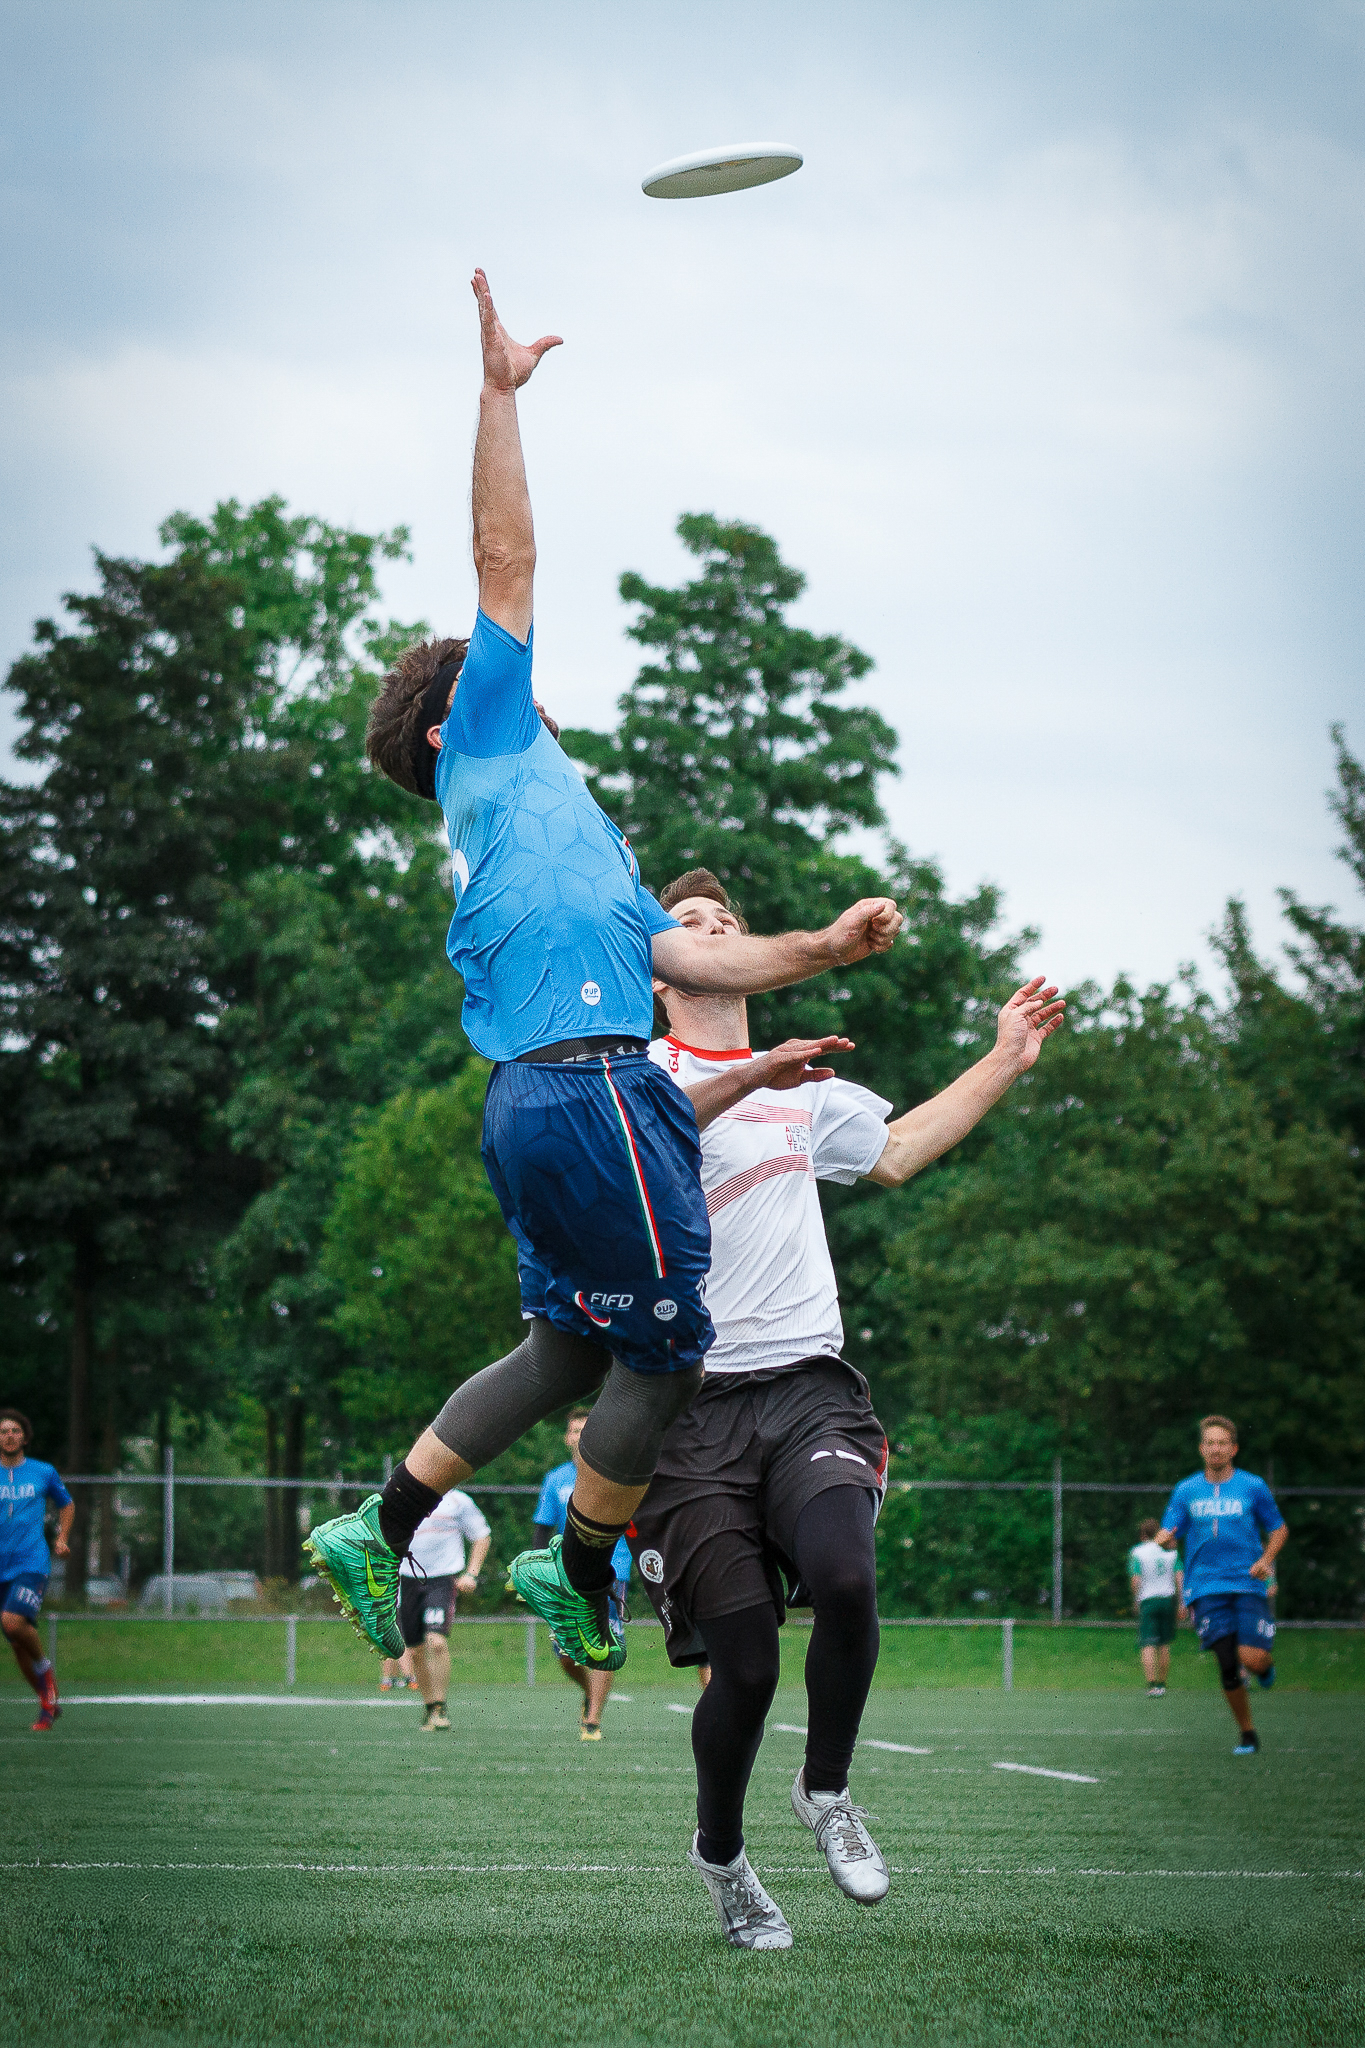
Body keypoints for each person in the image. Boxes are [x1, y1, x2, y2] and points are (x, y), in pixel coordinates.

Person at [304, 271, 903, 1679]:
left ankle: (376, 1528)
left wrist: (815, 947)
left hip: (557, 1096)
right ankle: (571, 1561)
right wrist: (497, 399)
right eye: (501, 679)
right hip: (589, 1096)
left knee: (571, 1357)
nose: (531, 680)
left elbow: (682, 950)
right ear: (457, 723)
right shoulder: (496, 748)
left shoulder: (566, 827)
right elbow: (503, 561)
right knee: (677, 1347)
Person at [628, 871, 1064, 1949]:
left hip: (808, 1383)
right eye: (690, 925)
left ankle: (826, 1792)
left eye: (726, 919)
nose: (716, 930)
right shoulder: (635, 1070)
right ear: (661, 969)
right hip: (690, 1410)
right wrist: (755, 1072)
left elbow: (904, 1149)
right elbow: (636, 1150)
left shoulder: (803, 1089)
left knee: (849, 1577)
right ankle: (721, 1854)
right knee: (749, 1665)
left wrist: (1005, 1055)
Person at [1157, 1415, 1287, 1757]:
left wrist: (1266, 1560)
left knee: (1251, 1656)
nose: (1216, 1449)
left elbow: (1278, 1529)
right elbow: (1171, 1530)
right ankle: (1247, 1733)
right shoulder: (1186, 1490)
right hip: (1205, 1585)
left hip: (1247, 1582)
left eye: (1222, 1443)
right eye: (1210, 1443)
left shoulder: (1252, 1486)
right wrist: (1165, 1539)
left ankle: (1265, 1667)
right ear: (1202, 1449)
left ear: (1233, 1449)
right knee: (1228, 1662)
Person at [533, 1409, 634, 1739]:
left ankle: (592, 1721)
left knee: (606, 1642)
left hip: (611, 1570)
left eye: (586, 1430)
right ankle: (591, 1693)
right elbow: (542, 1529)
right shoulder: (556, 1479)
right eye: (574, 1430)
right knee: (567, 1654)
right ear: (566, 1438)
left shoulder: (617, 1474)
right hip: (567, 1574)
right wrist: (540, 1570)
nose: (579, 1436)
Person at [0, 1408, 73, 1732]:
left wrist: (62, 1537)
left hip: (31, 1562)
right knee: (16, 1643)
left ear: (25, 1437)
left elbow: (66, 1503)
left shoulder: (42, 1472)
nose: (9, 1436)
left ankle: (45, 1668)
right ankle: (47, 1703)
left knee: (12, 1622)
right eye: (3, 1431)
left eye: (15, 1430)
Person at [398, 1488, 492, 1731]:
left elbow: (482, 1536)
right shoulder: (403, 1495)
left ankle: (440, 1706)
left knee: (436, 1642)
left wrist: (471, 1573)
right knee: (415, 1650)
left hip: (441, 1580)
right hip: (406, 1580)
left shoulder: (458, 1501)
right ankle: (430, 1708)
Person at [1128, 1516, 1184, 1696]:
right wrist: (1182, 1602)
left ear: (1143, 1534)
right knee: (1164, 1643)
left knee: (1148, 1643)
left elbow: (1136, 1579)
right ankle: (1162, 1684)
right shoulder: (1171, 1552)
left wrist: (1136, 1600)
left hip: (1148, 1600)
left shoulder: (1138, 1552)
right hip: (1167, 1599)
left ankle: (1152, 1684)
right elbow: (1179, 1577)